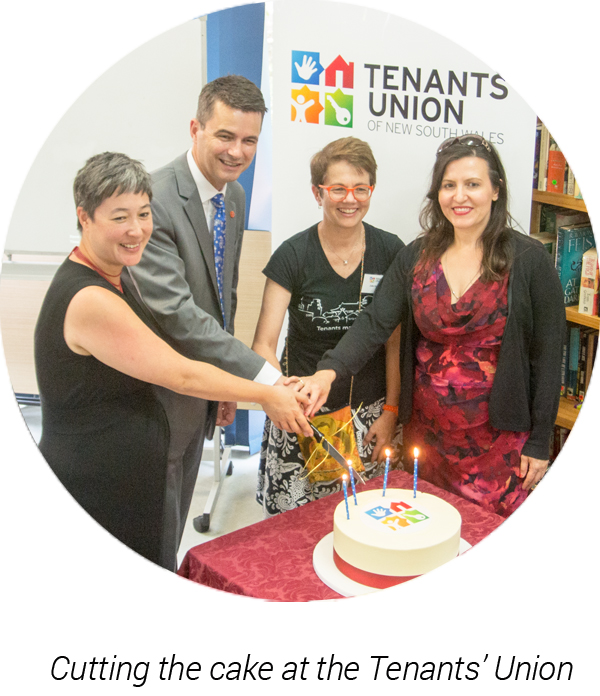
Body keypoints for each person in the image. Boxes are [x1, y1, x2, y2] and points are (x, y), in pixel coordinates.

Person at [34, 152, 312, 569]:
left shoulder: (115, 273)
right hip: (97, 482)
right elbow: (181, 373)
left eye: (144, 214)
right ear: (85, 217)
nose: (136, 230)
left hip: (123, 474)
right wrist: (268, 392)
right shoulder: (90, 299)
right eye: (119, 217)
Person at [302, 135, 565, 517]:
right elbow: (375, 322)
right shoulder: (417, 255)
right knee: (425, 532)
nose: (460, 196)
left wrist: (540, 442)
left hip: (499, 445)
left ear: (496, 189)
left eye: (473, 184)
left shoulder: (529, 259)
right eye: (449, 185)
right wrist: (328, 372)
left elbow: (548, 354)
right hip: (426, 439)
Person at [126, 74, 287, 566]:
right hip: (154, 397)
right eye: (225, 136)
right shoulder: (152, 200)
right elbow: (179, 315)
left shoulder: (233, 197)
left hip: (201, 390)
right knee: (153, 525)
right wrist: (260, 378)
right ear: (195, 128)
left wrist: (225, 387)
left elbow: (223, 296)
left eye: (249, 140)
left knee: (175, 518)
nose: (237, 152)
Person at [252, 137, 404, 515]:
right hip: (302, 414)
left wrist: (391, 412)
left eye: (360, 188)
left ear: (371, 190)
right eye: (338, 188)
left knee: (367, 524)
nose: (349, 199)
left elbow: (395, 344)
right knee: (297, 532)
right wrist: (279, 394)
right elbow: (263, 344)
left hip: (369, 416)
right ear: (317, 192)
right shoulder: (293, 254)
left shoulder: (391, 252)